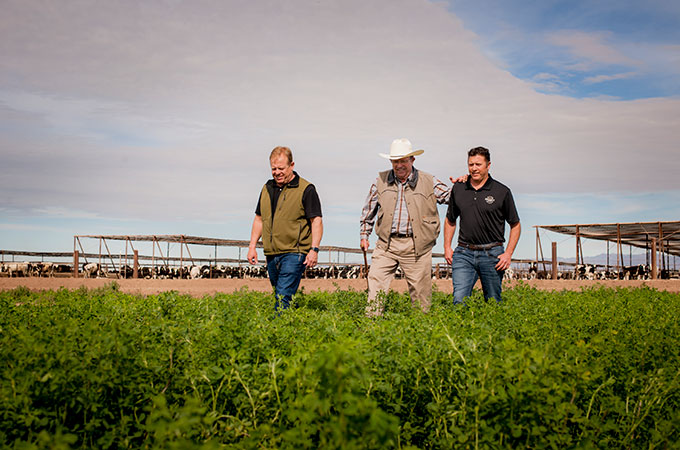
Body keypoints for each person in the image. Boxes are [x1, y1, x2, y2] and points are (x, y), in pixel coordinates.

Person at [360, 138, 451, 316]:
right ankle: (370, 326)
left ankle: (420, 329)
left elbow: (450, 196)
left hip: (417, 246)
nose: (399, 165)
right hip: (386, 244)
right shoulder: (380, 180)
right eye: (395, 161)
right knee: (375, 286)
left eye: (403, 160)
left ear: (412, 160)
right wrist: (364, 235)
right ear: (391, 161)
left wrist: (463, 184)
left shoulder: (429, 181)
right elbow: (368, 210)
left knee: (421, 295)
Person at [247, 146, 323, 310]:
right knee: (280, 294)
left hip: (294, 253)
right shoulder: (266, 189)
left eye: (281, 168)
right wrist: (252, 246)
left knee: (282, 297)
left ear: (292, 165)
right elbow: (259, 219)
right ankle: (292, 326)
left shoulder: (306, 189)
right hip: (272, 254)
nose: (277, 172)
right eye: (274, 169)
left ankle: (277, 331)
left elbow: (316, 221)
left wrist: (314, 249)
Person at [443, 146, 521, 304]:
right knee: (459, 300)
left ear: (488, 165)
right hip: (464, 252)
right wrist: (447, 247)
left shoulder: (502, 191)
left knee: (493, 301)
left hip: (492, 254)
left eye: (478, 164)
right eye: (471, 164)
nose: (474, 168)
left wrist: (508, 253)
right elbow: (450, 219)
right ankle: (460, 328)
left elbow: (516, 224)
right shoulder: (459, 189)